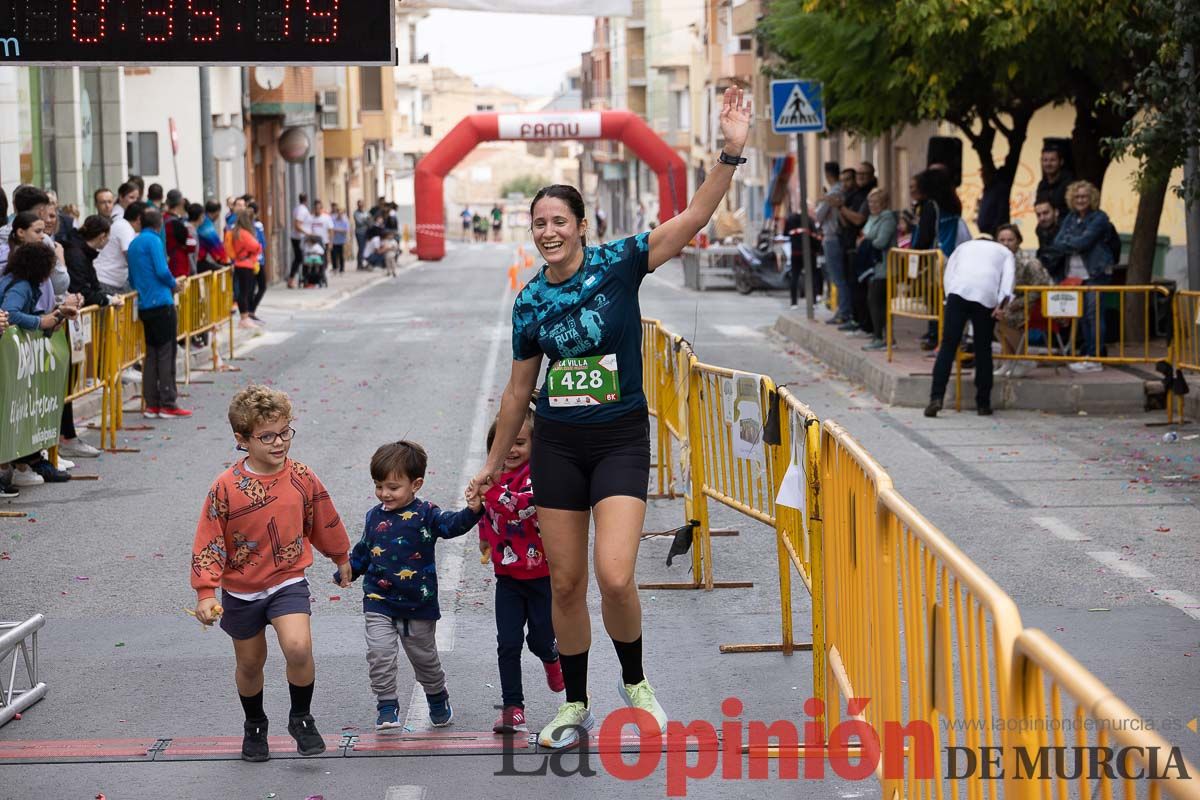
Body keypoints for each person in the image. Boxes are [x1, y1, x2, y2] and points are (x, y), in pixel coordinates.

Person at [470, 86, 752, 750]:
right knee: (564, 582)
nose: (547, 232)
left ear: (580, 225)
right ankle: (574, 702)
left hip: (621, 438)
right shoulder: (530, 301)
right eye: (537, 223)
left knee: (615, 573)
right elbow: (518, 395)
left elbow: (695, 215)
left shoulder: (619, 263)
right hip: (559, 447)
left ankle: (636, 680)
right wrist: (488, 467)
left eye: (558, 221)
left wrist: (731, 152)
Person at [191, 385, 352, 763]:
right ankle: (255, 724)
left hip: (287, 580)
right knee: (250, 663)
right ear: (242, 439)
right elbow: (209, 540)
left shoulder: (301, 476)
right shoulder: (225, 487)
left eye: (285, 432)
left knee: (298, 647)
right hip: (240, 590)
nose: (279, 443)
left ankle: (301, 717)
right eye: (267, 436)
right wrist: (205, 592)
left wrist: (341, 556)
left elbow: (322, 518)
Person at [344, 441, 484, 732]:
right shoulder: (374, 516)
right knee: (379, 653)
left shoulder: (426, 514)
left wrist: (473, 511)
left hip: (417, 603)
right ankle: (386, 705)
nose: (385, 493)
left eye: (393, 487)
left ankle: (436, 696)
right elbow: (365, 550)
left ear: (416, 484)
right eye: (379, 485)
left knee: (424, 659)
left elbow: (452, 525)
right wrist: (348, 570)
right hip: (378, 599)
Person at [479, 408, 564, 735]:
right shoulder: (492, 476)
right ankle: (513, 708)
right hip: (508, 579)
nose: (511, 450)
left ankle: (552, 657)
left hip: (542, 578)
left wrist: (489, 491)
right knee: (508, 642)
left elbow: (521, 505)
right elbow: (486, 515)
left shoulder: (537, 475)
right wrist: (484, 540)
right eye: (504, 443)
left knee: (540, 640)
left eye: (520, 442)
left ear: (534, 445)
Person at [0, 243, 78, 487]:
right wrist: (40, 321)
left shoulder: (24, 283)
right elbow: (11, 313)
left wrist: (55, 316)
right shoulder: (21, 285)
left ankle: (32, 459)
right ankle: (20, 464)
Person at [925, 237, 1015, 418]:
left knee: (948, 346)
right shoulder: (1005, 252)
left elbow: (949, 272)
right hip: (986, 295)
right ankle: (983, 403)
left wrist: (949, 296)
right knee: (983, 349)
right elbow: (1008, 281)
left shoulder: (963, 246)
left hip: (958, 292)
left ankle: (936, 398)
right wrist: (1001, 304)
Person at [127, 207, 191, 419]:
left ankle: (151, 403)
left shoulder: (134, 243)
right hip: (162, 302)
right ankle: (168, 402)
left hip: (145, 304)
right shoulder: (153, 241)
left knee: (151, 354)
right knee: (166, 353)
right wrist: (174, 284)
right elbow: (162, 270)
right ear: (159, 225)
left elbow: (132, 278)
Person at [1054, 180, 1116, 371]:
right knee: (1082, 316)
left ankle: (1095, 358)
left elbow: (1084, 242)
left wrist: (1071, 241)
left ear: (1092, 198)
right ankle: (1087, 355)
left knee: (1094, 315)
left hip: (1096, 273)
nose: (1080, 200)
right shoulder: (1071, 218)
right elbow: (1057, 242)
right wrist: (1075, 241)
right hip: (1075, 275)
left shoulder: (1100, 218)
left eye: (1084, 196)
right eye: (1077, 196)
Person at [994, 224, 1053, 378]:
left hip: (1036, 305)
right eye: (1002, 240)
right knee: (993, 317)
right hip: (1014, 303)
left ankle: (1023, 359)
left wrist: (1013, 306)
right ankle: (1009, 360)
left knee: (1005, 317)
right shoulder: (998, 261)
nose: (1006, 244)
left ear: (1018, 241)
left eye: (1010, 240)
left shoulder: (1029, 262)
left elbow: (1038, 290)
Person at [860, 188, 898, 352]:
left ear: (884, 203)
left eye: (876, 202)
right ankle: (882, 336)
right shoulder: (873, 218)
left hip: (885, 267)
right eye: (870, 202)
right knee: (874, 301)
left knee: (877, 301)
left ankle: (881, 338)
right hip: (873, 267)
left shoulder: (887, 218)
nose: (872, 205)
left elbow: (881, 242)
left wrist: (865, 241)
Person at [93, 181, 141, 295]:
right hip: (105, 277)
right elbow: (129, 255)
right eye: (103, 202)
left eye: (109, 202)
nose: (107, 206)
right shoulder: (120, 222)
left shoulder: (118, 221)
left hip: (115, 278)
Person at [230, 210, 263, 331]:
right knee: (245, 293)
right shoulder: (244, 233)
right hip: (246, 265)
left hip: (240, 263)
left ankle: (245, 318)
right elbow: (256, 246)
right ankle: (244, 318)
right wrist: (259, 246)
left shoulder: (236, 232)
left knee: (243, 292)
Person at [782, 205, 820, 309]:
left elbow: (785, 233)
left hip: (795, 253)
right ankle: (813, 302)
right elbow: (816, 237)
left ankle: (794, 303)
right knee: (812, 277)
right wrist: (817, 250)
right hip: (809, 253)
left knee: (794, 277)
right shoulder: (810, 220)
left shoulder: (790, 219)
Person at [1036, 145, 1074, 217]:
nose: (1048, 164)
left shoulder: (1069, 184)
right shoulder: (1042, 185)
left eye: (1052, 160)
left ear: (1061, 162)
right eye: (1045, 160)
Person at [163, 189, 194, 279]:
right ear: (181, 202)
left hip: (167, 264)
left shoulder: (162, 219)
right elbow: (191, 245)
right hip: (178, 267)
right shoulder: (177, 223)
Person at [1034, 199, 1065, 282]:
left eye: (1045, 213)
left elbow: (1056, 254)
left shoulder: (1065, 229)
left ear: (1056, 212)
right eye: (1038, 215)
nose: (1042, 218)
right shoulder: (1040, 230)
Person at [248, 201, 269, 322]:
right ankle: (251, 310)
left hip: (250, 260)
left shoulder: (243, 226)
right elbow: (263, 243)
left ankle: (250, 311)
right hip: (258, 260)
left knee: (252, 287)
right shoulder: (258, 225)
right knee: (261, 286)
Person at [288, 194, 311, 289]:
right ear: (306, 200)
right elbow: (297, 225)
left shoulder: (297, 208)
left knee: (299, 259)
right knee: (301, 259)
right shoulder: (302, 210)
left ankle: (298, 280)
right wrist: (308, 234)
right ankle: (296, 280)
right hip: (300, 238)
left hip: (298, 237)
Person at [330, 203, 349, 274]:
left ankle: (342, 268)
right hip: (334, 240)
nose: (339, 214)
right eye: (338, 213)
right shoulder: (333, 218)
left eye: (341, 213)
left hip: (342, 240)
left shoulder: (345, 220)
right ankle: (335, 267)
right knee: (334, 254)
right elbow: (331, 228)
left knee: (341, 255)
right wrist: (337, 230)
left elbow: (346, 230)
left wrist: (337, 230)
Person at [354, 199, 371, 269]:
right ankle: (359, 264)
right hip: (359, 233)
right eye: (359, 204)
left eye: (362, 204)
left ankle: (365, 263)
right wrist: (366, 220)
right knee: (361, 248)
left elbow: (370, 221)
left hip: (366, 232)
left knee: (366, 248)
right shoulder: (356, 213)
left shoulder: (366, 212)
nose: (361, 206)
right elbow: (359, 223)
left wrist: (366, 220)